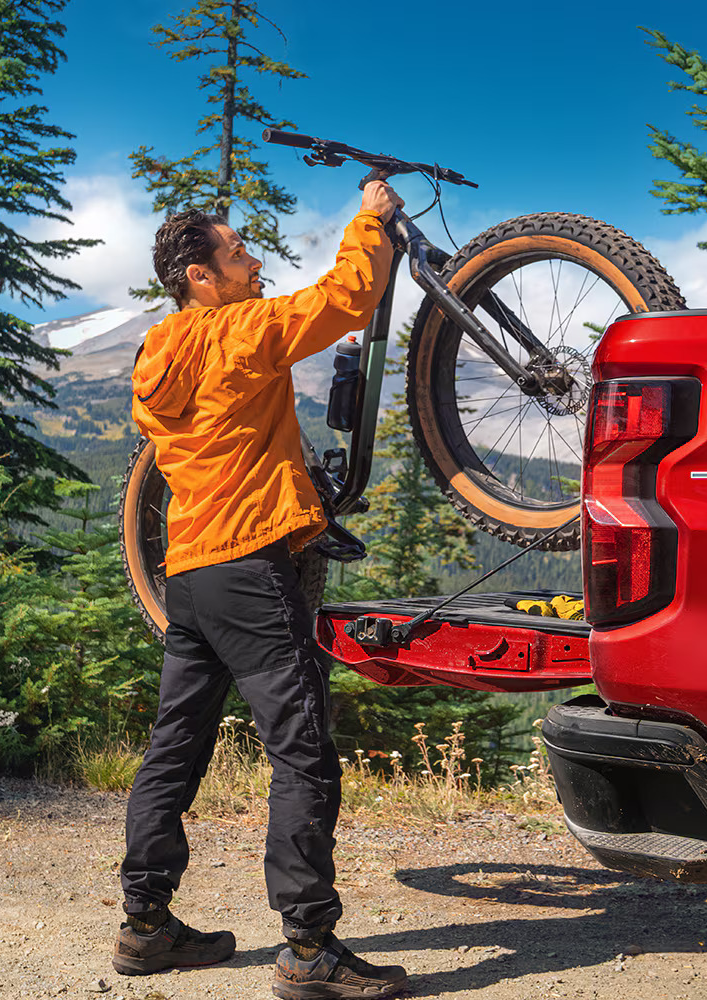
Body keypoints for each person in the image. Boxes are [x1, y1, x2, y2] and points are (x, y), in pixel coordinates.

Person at [114, 179, 410, 1000]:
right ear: (201, 276)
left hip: (192, 576)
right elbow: (346, 296)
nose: (252, 264)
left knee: (175, 747)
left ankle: (145, 926)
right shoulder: (239, 330)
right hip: (251, 568)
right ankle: (310, 949)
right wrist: (368, 217)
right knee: (303, 749)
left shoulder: (155, 354)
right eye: (237, 254)